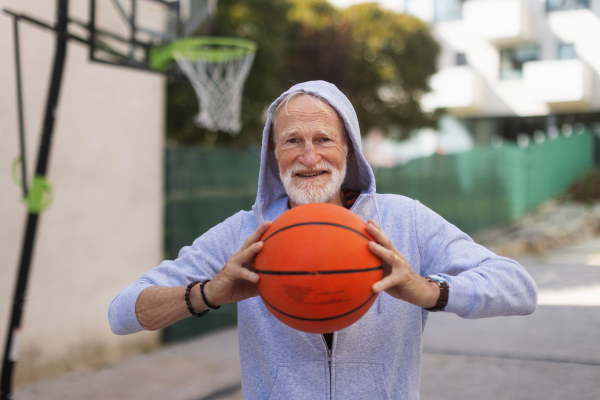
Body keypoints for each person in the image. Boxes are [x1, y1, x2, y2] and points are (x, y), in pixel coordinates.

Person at [109, 81, 537, 400]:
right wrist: (206, 293)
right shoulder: (245, 234)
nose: (308, 157)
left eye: (323, 139)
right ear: (273, 156)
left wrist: (428, 291)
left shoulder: (403, 220)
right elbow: (122, 312)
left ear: (349, 148)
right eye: (292, 141)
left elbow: (518, 287)